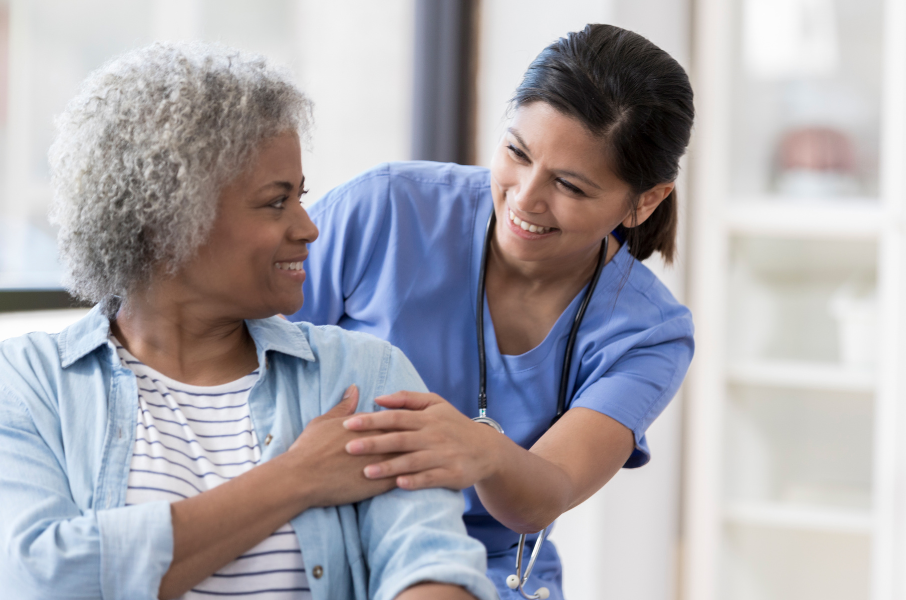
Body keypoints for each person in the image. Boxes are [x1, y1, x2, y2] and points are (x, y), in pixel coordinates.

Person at [0, 42, 496, 600]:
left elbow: (432, 567)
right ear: (169, 223)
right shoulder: (28, 384)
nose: (309, 228)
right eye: (275, 202)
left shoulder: (363, 373)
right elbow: (41, 577)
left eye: (300, 197)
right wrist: (297, 477)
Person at [290, 24, 696, 599]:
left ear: (645, 200)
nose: (525, 198)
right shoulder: (387, 209)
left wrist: (481, 451)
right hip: (316, 533)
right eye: (516, 152)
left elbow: (541, 498)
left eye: (571, 187)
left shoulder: (650, 334)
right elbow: (242, 351)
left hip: (485, 570)